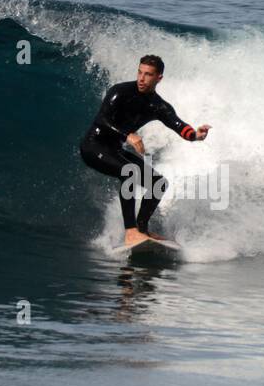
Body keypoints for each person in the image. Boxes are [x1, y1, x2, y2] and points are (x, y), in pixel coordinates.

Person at [79, 55, 211, 245]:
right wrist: (127, 135)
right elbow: (101, 119)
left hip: (114, 150)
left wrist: (195, 136)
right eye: (140, 72)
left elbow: (178, 125)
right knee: (130, 172)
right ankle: (130, 231)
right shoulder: (120, 92)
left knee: (158, 183)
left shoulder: (158, 106)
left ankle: (142, 229)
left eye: (148, 74)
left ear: (159, 78)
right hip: (93, 146)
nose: (141, 78)